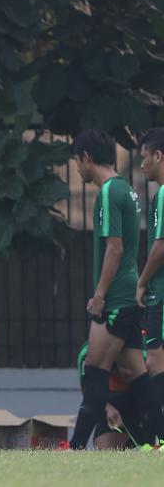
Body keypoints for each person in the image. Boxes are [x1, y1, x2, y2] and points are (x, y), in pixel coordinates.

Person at [63, 129, 164, 449]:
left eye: (77, 163)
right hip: (128, 296)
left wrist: (99, 295)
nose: (77, 171)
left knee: (94, 370)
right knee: (136, 371)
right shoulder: (128, 190)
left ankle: (75, 447)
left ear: (86, 158)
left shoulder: (108, 193)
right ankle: (156, 442)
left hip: (117, 298)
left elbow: (115, 249)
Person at [136, 127, 164, 401]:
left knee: (155, 362)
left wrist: (142, 282)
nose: (141, 164)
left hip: (160, 294)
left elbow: (160, 247)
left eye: (144, 157)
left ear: (158, 156)